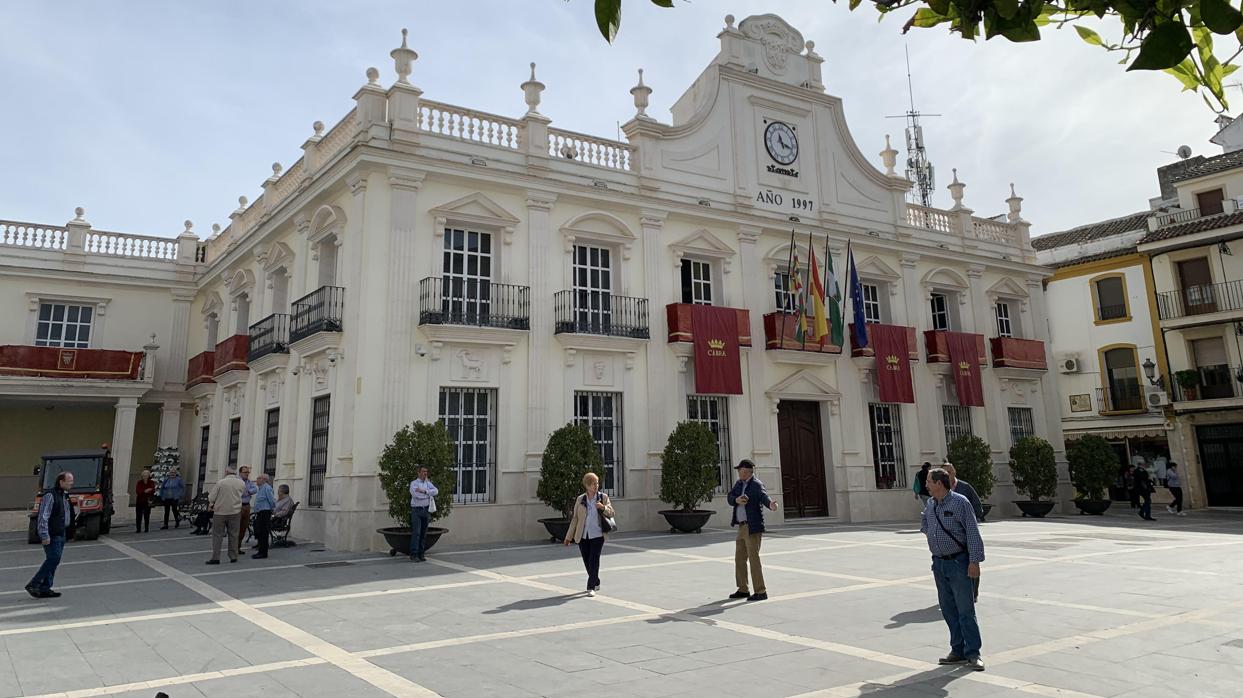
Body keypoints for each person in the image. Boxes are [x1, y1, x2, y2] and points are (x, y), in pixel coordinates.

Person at [921, 467, 986, 672]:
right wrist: (932, 536)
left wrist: (974, 562)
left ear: (939, 483)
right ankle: (957, 650)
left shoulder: (960, 502)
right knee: (948, 609)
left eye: (929, 481)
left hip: (958, 562)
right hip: (939, 564)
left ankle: (973, 653)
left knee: (965, 609)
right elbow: (924, 522)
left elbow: (973, 533)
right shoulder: (931, 504)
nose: (926, 485)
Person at [727, 459, 778, 602]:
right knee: (739, 558)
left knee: (754, 559)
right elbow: (729, 497)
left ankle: (761, 591)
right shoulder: (739, 484)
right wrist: (736, 500)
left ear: (748, 471)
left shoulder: (756, 484)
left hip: (752, 526)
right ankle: (743, 589)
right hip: (741, 526)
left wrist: (771, 505)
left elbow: (764, 497)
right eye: (738, 471)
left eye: (741, 470)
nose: (739, 473)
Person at [563, 472, 615, 596]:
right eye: (593, 484)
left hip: (598, 535)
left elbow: (612, 513)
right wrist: (568, 537)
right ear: (587, 485)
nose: (596, 486)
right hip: (583, 535)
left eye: (597, 483)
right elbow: (575, 518)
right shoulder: (581, 499)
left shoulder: (603, 497)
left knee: (594, 560)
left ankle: (590, 587)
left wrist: (603, 507)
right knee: (587, 561)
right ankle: (596, 581)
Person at [26, 472, 75, 599]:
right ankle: (34, 583)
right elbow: (43, 516)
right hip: (52, 534)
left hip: (61, 532)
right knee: (53, 559)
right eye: (69, 480)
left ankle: (45, 588)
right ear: (61, 482)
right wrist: (44, 535)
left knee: (54, 561)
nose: (72, 483)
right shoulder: (50, 495)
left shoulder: (64, 495)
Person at [206, 466, 246, 564]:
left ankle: (216, 557)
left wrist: (211, 504)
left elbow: (212, 497)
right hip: (235, 511)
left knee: (217, 535)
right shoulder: (241, 483)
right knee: (234, 534)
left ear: (226, 472)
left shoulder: (221, 482)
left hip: (220, 512)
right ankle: (233, 556)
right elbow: (243, 494)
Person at [408, 466, 439, 562]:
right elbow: (416, 495)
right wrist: (427, 495)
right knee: (416, 533)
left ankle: (421, 554)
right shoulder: (414, 483)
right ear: (419, 473)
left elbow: (436, 491)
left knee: (423, 533)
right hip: (417, 510)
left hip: (426, 510)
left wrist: (424, 491)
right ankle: (414, 554)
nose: (425, 473)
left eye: (426, 471)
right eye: (423, 471)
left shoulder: (428, 483)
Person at [251, 473, 275, 559]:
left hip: (265, 512)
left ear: (264, 480)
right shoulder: (260, 489)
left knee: (263, 532)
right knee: (259, 532)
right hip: (260, 513)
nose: (257, 480)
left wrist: (272, 510)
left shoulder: (267, 488)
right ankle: (260, 550)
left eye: (259, 478)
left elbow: (272, 501)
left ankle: (263, 552)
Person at [237, 466, 257, 543]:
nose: (247, 474)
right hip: (239, 506)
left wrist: (248, 492)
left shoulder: (249, 481)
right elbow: (241, 492)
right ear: (240, 473)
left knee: (243, 527)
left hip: (247, 505)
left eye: (248, 472)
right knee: (237, 526)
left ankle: (238, 546)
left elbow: (255, 489)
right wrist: (247, 491)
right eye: (245, 472)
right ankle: (234, 546)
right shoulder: (237, 481)